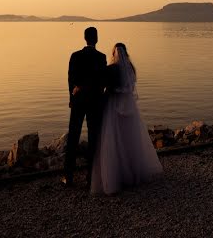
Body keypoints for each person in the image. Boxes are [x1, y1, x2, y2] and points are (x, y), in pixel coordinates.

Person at [91, 42, 163, 195]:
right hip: (129, 108)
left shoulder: (111, 69)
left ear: (113, 54)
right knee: (130, 139)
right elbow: (130, 87)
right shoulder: (131, 68)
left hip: (113, 106)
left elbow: (103, 84)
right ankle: (134, 171)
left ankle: (116, 174)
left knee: (113, 139)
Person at [63, 26, 107, 187]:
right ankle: (91, 176)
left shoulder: (75, 56)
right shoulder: (101, 57)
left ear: (84, 38)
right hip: (95, 102)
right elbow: (102, 81)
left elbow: (70, 80)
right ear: (97, 39)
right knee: (93, 138)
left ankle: (69, 176)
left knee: (73, 137)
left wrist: (71, 98)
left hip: (78, 101)